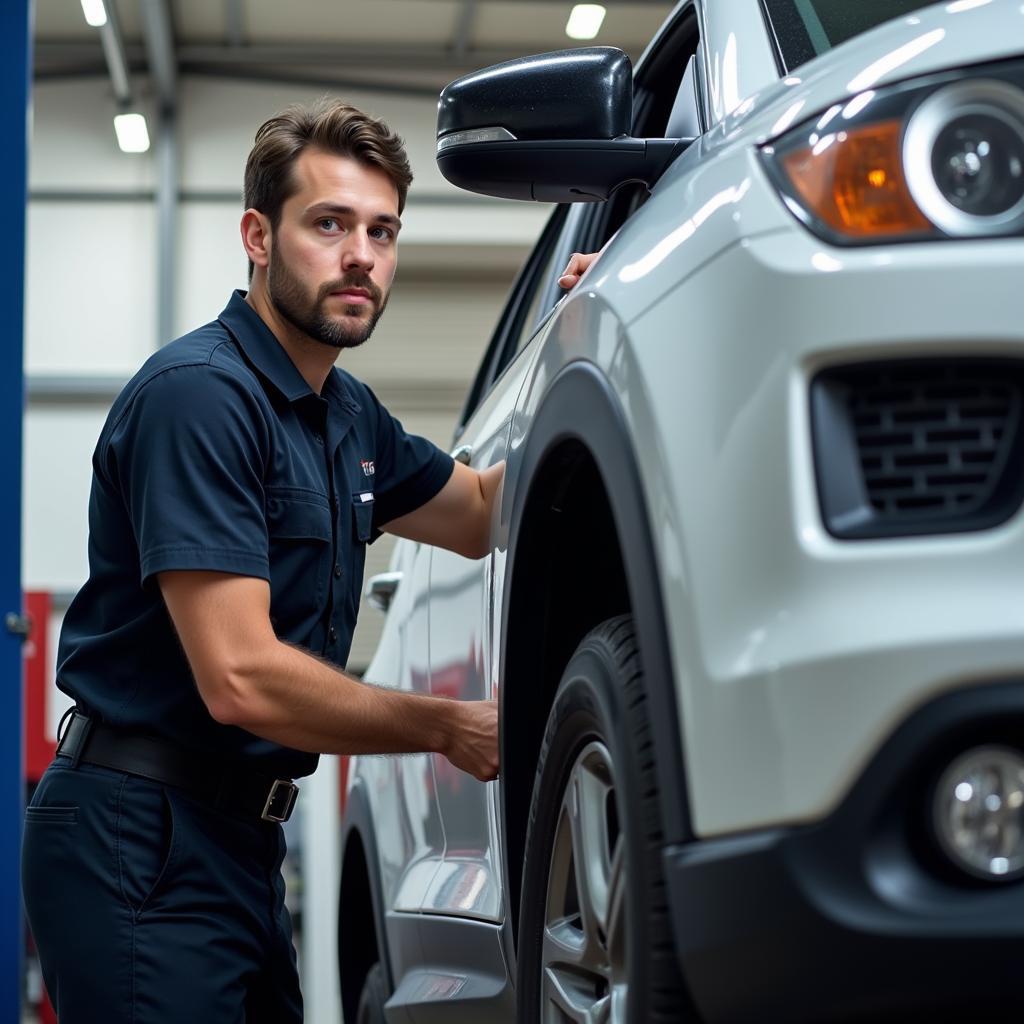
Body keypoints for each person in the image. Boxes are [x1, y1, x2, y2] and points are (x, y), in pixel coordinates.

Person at [21, 100, 503, 1024]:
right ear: (257, 235)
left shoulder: (348, 415)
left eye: (382, 231)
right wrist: (449, 726)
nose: (361, 254)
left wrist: (583, 331)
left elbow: (482, 512)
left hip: (239, 838)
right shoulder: (200, 398)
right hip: (139, 837)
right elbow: (238, 677)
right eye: (329, 224)